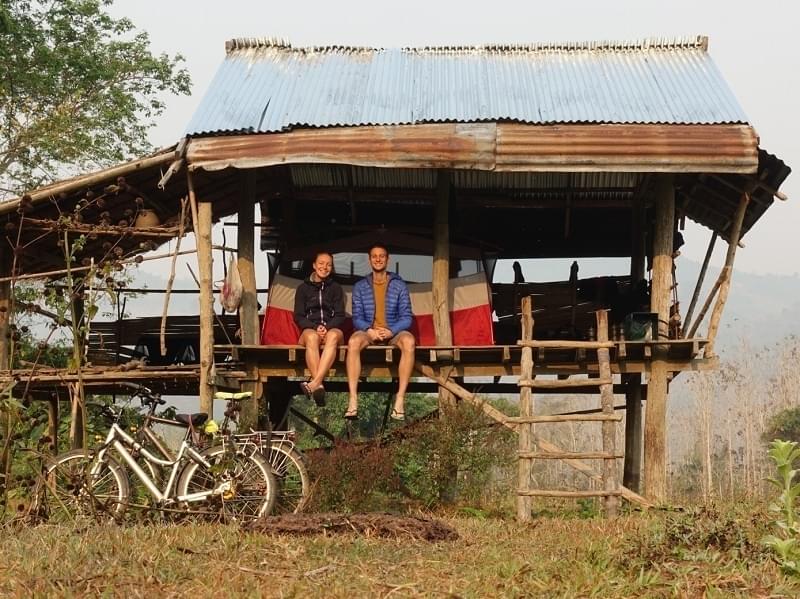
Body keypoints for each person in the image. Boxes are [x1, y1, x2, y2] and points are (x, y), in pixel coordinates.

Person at [345, 243, 415, 421]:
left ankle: (400, 399)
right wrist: (369, 330)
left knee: (409, 341)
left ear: (387, 259)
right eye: (374, 256)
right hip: (369, 331)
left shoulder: (399, 285)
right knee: (353, 342)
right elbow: (357, 317)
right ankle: (353, 399)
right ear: (369, 260)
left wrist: (391, 331)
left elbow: (407, 317)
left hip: (393, 332)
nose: (378, 259)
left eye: (381, 256)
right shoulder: (360, 286)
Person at [293, 251, 346, 407]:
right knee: (312, 337)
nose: (325, 267)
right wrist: (315, 327)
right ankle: (318, 385)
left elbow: (340, 315)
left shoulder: (336, 288)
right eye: (321, 263)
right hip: (310, 329)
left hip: (331, 329)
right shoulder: (302, 288)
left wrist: (327, 327)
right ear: (314, 265)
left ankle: (315, 383)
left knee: (333, 336)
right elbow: (298, 316)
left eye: (329, 264)